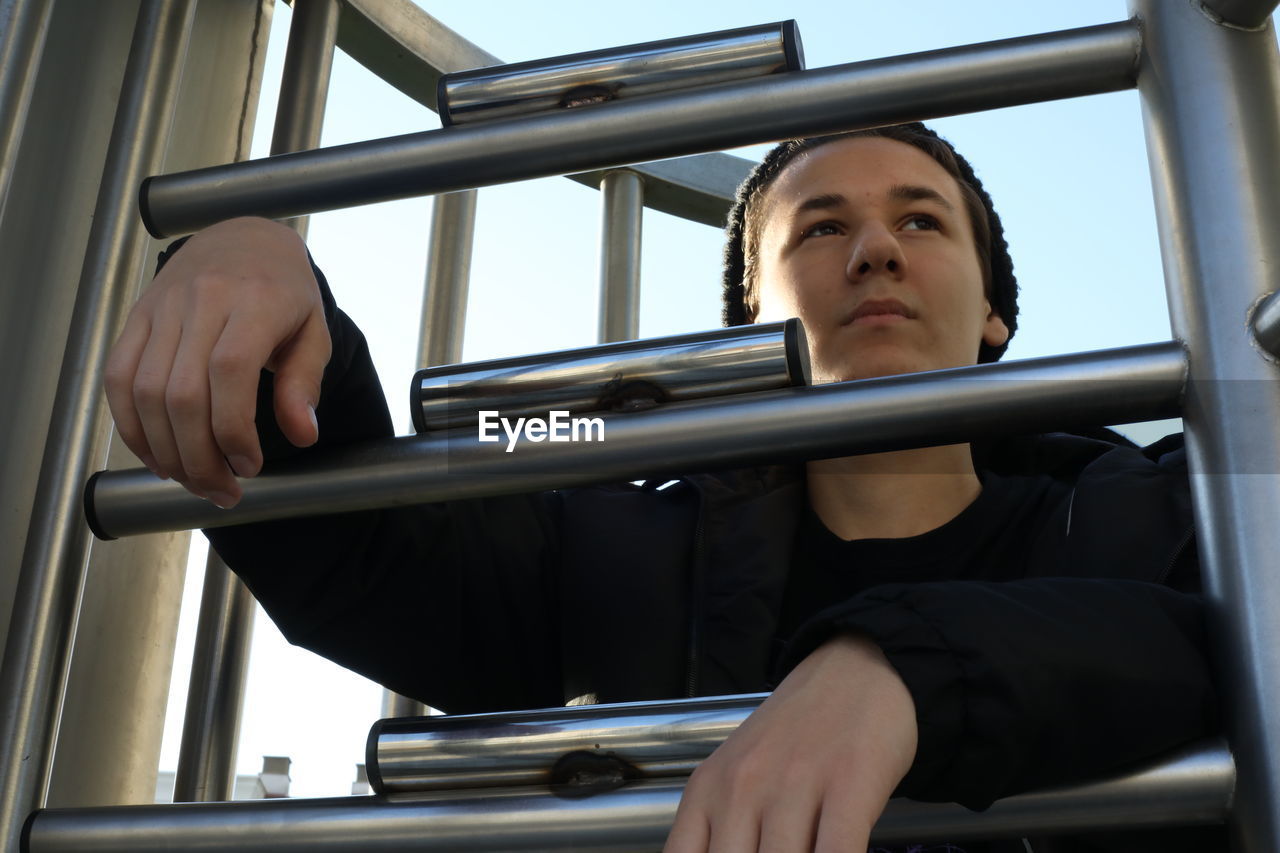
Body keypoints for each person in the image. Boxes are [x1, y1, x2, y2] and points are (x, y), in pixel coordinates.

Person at [104, 123, 1219, 853]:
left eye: (919, 220)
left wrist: (904, 672)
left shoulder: (1168, 512)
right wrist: (250, 269)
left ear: (992, 313)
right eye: (820, 227)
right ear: (747, 327)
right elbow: (370, 554)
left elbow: (1232, 647)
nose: (873, 249)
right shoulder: (620, 549)